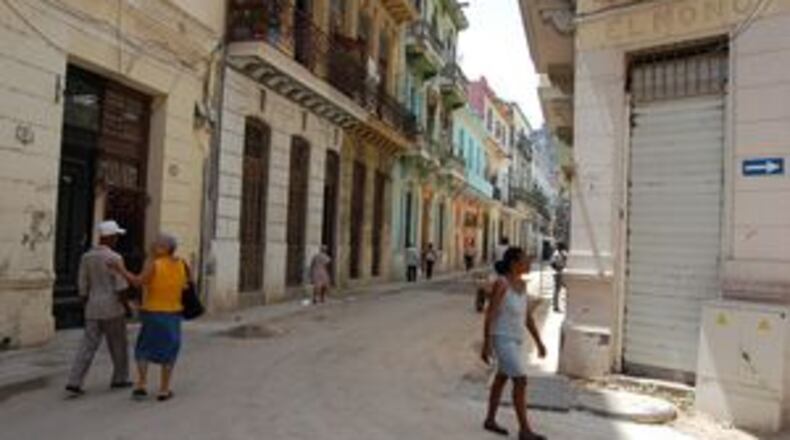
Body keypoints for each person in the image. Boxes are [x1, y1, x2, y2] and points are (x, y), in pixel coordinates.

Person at [112, 234, 188, 402]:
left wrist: (121, 269)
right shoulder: (181, 263)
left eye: (155, 244)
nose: (152, 246)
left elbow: (138, 282)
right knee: (169, 350)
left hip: (153, 312)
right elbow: (185, 285)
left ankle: (141, 384)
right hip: (173, 313)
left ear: (164, 248)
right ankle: (164, 388)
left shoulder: (155, 264)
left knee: (144, 348)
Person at [481, 247, 547, 440]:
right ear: (514, 263)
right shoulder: (501, 284)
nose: (529, 263)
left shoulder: (522, 285)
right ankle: (524, 430)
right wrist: (487, 343)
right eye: (525, 260)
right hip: (502, 339)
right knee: (520, 379)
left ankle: (490, 420)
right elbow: (490, 315)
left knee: (501, 378)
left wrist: (539, 342)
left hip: (517, 340)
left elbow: (527, 318)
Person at [65, 220, 133, 396]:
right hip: (112, 307)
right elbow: (121, 286)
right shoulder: (115, 258)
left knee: (87, 345)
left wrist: (85, 304)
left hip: (93, 307)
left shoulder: (87, 257)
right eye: (116, 236)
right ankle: (120, 377)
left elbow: (82, 285)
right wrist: (127, 306)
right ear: (110, 238)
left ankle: (75, 380)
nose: (117, 239)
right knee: (118, 345)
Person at [551, 242, 568, 313]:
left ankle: (556, 305)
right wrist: (559, 268)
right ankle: (556, 306)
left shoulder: (557, 253)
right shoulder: (559, 254)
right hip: (559, 273)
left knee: (558, 290)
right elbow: (553, 263)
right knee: (559, 289)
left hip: (558, 272)